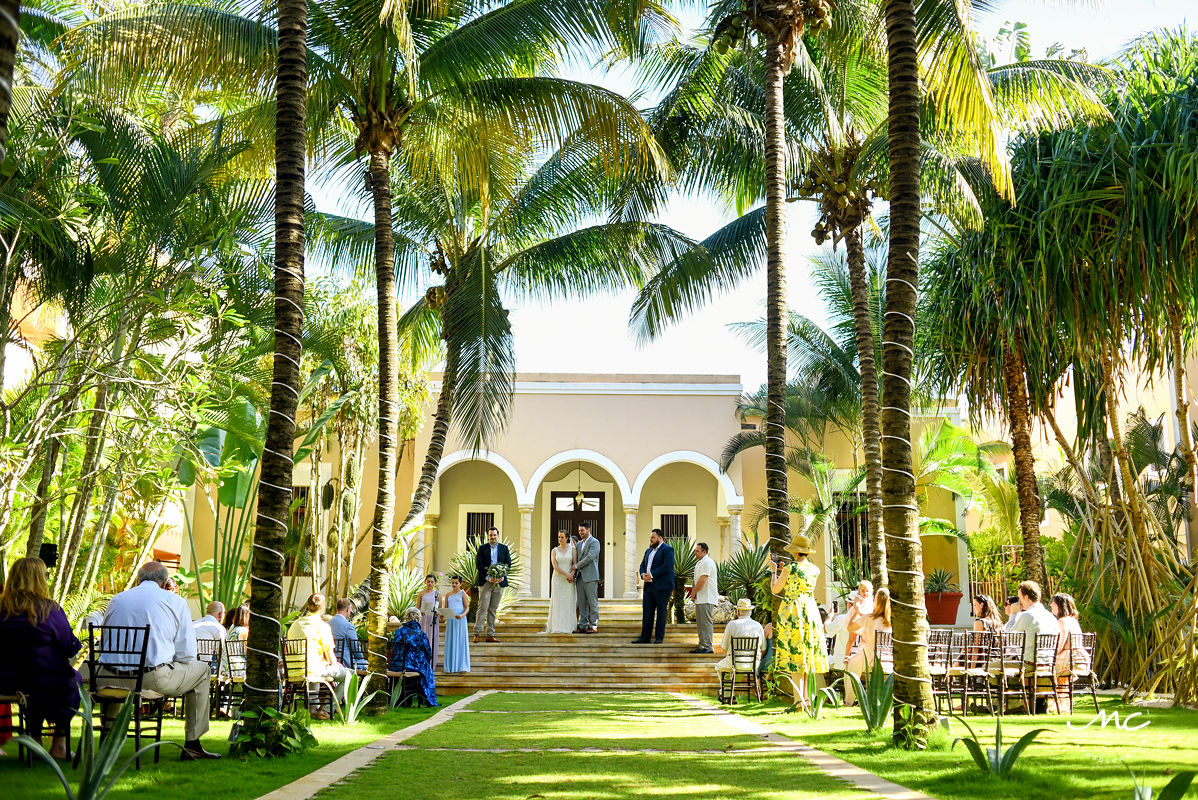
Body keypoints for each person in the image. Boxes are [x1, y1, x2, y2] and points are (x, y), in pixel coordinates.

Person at [100, 561, 219, 760]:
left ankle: (108, 739)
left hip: (107, 678)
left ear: (138, 580)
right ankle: (193, 744)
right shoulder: (175, 602)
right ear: (165, 583)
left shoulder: (117, 599)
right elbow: (187, 655)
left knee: (119, 671)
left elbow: (105, 642)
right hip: (150, 678)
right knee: (202, 671)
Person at [0, 557, 82, 760]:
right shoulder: (49, 609)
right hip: (44, 679)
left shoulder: (2, 608)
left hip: (6, 681)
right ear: (39, 579)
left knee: (36, 685)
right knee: (71, 681)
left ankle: (35, 741)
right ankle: (59, 745)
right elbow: (69, 646)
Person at [770, 534, 828, 707]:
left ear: (795, 552)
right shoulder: (814, 569)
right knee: (806, 654)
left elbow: (775, 589)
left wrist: (774, 571)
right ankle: (807, 699)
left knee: (795, 656)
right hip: (810, 610)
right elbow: (800, 579)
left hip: (793, 611)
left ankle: (798, 701)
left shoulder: (790, 568)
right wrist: (783, 570)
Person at [286, 593, 349, 717]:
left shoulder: (295, 624)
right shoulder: (322, 626)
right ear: (322, 607)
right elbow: (331, 658)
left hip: (293, 671)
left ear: (308, 606)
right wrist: (336, 664)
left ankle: (312, 708)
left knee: (314, 669)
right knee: (349, 675)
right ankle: (326, 709)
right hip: (312, 670)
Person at [843, 588, 892, 706]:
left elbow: (850, 627)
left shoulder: (868, 618)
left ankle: (849, 700)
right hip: (888, 659)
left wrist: (856, 610)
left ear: (875, 601)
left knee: (849, 664)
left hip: (869, 657)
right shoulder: (891, 620)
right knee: (853, 661)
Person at [388, 608, 438, 707]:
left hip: (396, 665)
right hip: (412, 666)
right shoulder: (421, 634)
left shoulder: (399, 631)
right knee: (426, 669)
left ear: (406, 617)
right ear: (419, 618)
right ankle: (425, 697)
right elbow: (428, 653)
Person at [633, 528, 675, 644]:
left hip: (663, 587)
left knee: (661, 612)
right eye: (650, 537)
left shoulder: (668, 550)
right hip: (649, 587)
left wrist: (651, 575)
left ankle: (659, 638)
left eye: (653, 538)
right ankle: (645, 637)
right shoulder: (648, 551)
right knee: (647, 612)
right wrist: (643, 574)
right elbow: (642, 565)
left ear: (660, 538)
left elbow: (667, 566)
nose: (650, 540)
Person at [1051, 592, 1089, 712]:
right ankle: (1060, 704)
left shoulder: (1062, 622)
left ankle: (1046, 701)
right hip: (1080, 658)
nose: (1051, 605)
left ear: (1060, 606)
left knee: (1043, 668)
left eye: (1054, 603)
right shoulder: (1073, 620)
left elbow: (1059, 646)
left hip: (1069, 659)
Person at [474, 526, 510, 643]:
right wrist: (488, 577)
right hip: (485, 582)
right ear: (488, 536)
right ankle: (477, 633)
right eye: (491, 535)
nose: (493, 537)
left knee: (493, 609)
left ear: (498, 536)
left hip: (499, 582)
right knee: (482, 608)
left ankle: (490, 634)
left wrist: (502, 576)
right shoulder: (482, 548)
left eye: (494, 535)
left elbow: (508, 564)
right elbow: (479, 564)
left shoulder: (504, 548)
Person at [1010, 580, 1060, 664]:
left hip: (1028, 664)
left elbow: (1010, 639)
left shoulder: (1027, 615)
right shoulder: (1051, 617)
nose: (1019, 601)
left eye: (1020, 598)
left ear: (1026, 597)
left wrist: (1013, 614)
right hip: (1048, 663)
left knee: (989, 667)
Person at [714, 598, 764, 677]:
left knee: (718, 667)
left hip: (735, 662)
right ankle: (734, 686)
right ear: (750, 612)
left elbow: (724, 648)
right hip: (753, 664)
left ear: (738, 612)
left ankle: (727, 688)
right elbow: (763, 648)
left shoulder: (731, 625)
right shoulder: (758, 626)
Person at [688, 542, 718, 654]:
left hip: (707, 597)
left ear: (704, 552)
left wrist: (694, 591)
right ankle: (702, 646)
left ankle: (708, 646)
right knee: (700, 623)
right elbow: (696, 579)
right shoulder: (700, 563)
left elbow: (703, 579)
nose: (695, 553)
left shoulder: (707, 562)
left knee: (705, 623)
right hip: (701, 598)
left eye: (697, 551)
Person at [545, 530, 578, 634]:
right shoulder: (554, 550)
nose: (560, 539)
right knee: (558, 602)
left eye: (562, 537)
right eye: (559, 537)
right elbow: (555, 566)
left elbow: (575, 564)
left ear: (567, 538)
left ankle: (569, 626)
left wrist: (571, 574)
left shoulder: (573, 549)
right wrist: (566, 574)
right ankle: (557, 626)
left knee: (568, 602)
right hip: (558, 579)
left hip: (569, 580)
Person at [573, 521, 601, 634]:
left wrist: (576, 566)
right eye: (579, 530)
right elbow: (576, 558)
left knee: (592, 602)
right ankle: (583, 625)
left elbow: (590, 557)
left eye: (582, 530)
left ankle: (594, 625)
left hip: (591, 576)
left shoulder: (595, 542)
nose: (580, 532)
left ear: (588, 530)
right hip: (580, 577)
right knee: (581, 602)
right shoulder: (578, 544)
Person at [841, 580, 874, 666]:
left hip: (865, 618)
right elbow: (856, 606)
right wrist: (860, 613)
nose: (865, 593)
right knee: (852, 639)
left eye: (867, 591)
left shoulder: (870, 598)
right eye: (863, 591)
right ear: (859, 591)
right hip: (856, 617)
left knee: (865, 638)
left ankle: (861, 652)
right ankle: (846, 656)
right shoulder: (858, 597)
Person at [442, 576, 471, 673]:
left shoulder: (463, 593)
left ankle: (462, 666)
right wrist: (442, 614)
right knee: (451, 641)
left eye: (456, 583)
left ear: (460, 584)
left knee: (461, 641)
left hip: (460, 620)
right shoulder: (447, 595)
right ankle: (450, 666)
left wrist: (462, 615)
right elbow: (446, 609)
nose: (454, 585)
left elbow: (467, 608)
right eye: (452, 583)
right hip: (451, 621)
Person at [329, 598, 367, 671]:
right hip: (345, 662)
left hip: (330, 661)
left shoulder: (327, 623)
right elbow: (355, 647)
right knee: (366, 664)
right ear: (347, 609)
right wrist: (361, 658)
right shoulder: (348, 626)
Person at [417, 575, 441, 668]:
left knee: (432, 640)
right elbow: (417, 607)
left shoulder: (437, 594)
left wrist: (438, 613)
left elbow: (440, 609)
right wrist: (420, 612)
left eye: (432, 582)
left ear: (435, 583)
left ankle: (431, 663)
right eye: (428, 581)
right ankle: (422, 663)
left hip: (433, 619)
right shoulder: (421, 594)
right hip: (423, 619)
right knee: (423, 640)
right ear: (425, 582)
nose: (430, 583)